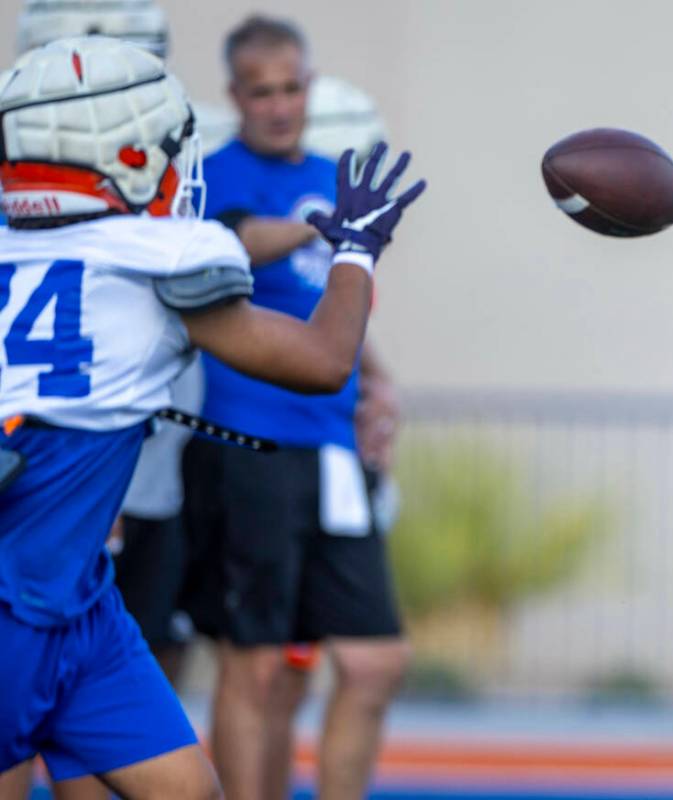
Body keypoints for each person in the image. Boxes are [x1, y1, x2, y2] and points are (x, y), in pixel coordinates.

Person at [0, 33, 424, 800]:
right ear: (127, 156)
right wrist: (356, 250)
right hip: (18, 598)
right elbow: (325, 360)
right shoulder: (155, 256)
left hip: (80, 601)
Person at [179, 15, 411, 800]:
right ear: (236, 96)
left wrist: (378, 379)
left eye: (292, 87)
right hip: (250, 445)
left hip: (334, 451)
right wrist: (325, 227)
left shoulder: (328, 173)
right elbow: (233, 243)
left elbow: (332, 304)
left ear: (308, 87)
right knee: (258, 667)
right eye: (262, 91)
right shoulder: (214, 175)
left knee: (374, 660)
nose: (279, 104)